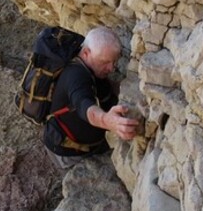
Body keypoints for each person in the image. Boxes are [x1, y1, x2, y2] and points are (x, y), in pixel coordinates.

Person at [42, 26, 139, 168]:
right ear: (86, 52)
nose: (111, 68)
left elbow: (107, 87)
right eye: (105, 62)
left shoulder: (92, 66)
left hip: (93, 142)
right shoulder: (76, 77)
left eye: (114, 61)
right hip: (69, 152)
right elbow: (85, 107)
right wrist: (108, 121)